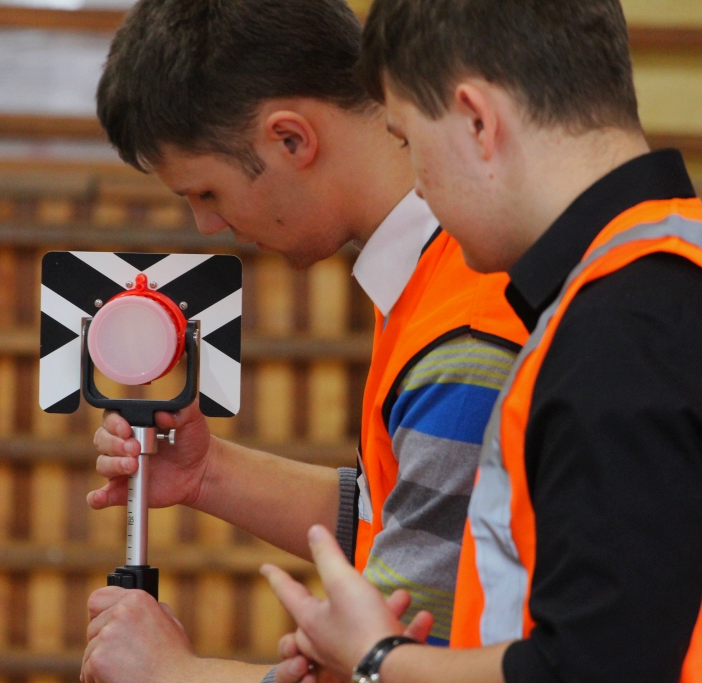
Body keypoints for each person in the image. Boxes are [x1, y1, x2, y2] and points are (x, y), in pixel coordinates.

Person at [261, 0, 702, 682]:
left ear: (478, 121)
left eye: (408, 142)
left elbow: (588, 668)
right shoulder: (677, 269)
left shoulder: (628, 330)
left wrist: (378, 659)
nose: (417, 180)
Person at [80, 1, 527, 682]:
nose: (206, 225)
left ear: (290, 138)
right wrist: (210, 473)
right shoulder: (429, 279)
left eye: (207, 191)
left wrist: (175, 672)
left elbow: (396, 671)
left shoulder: (463, 327)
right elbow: (415, 514)